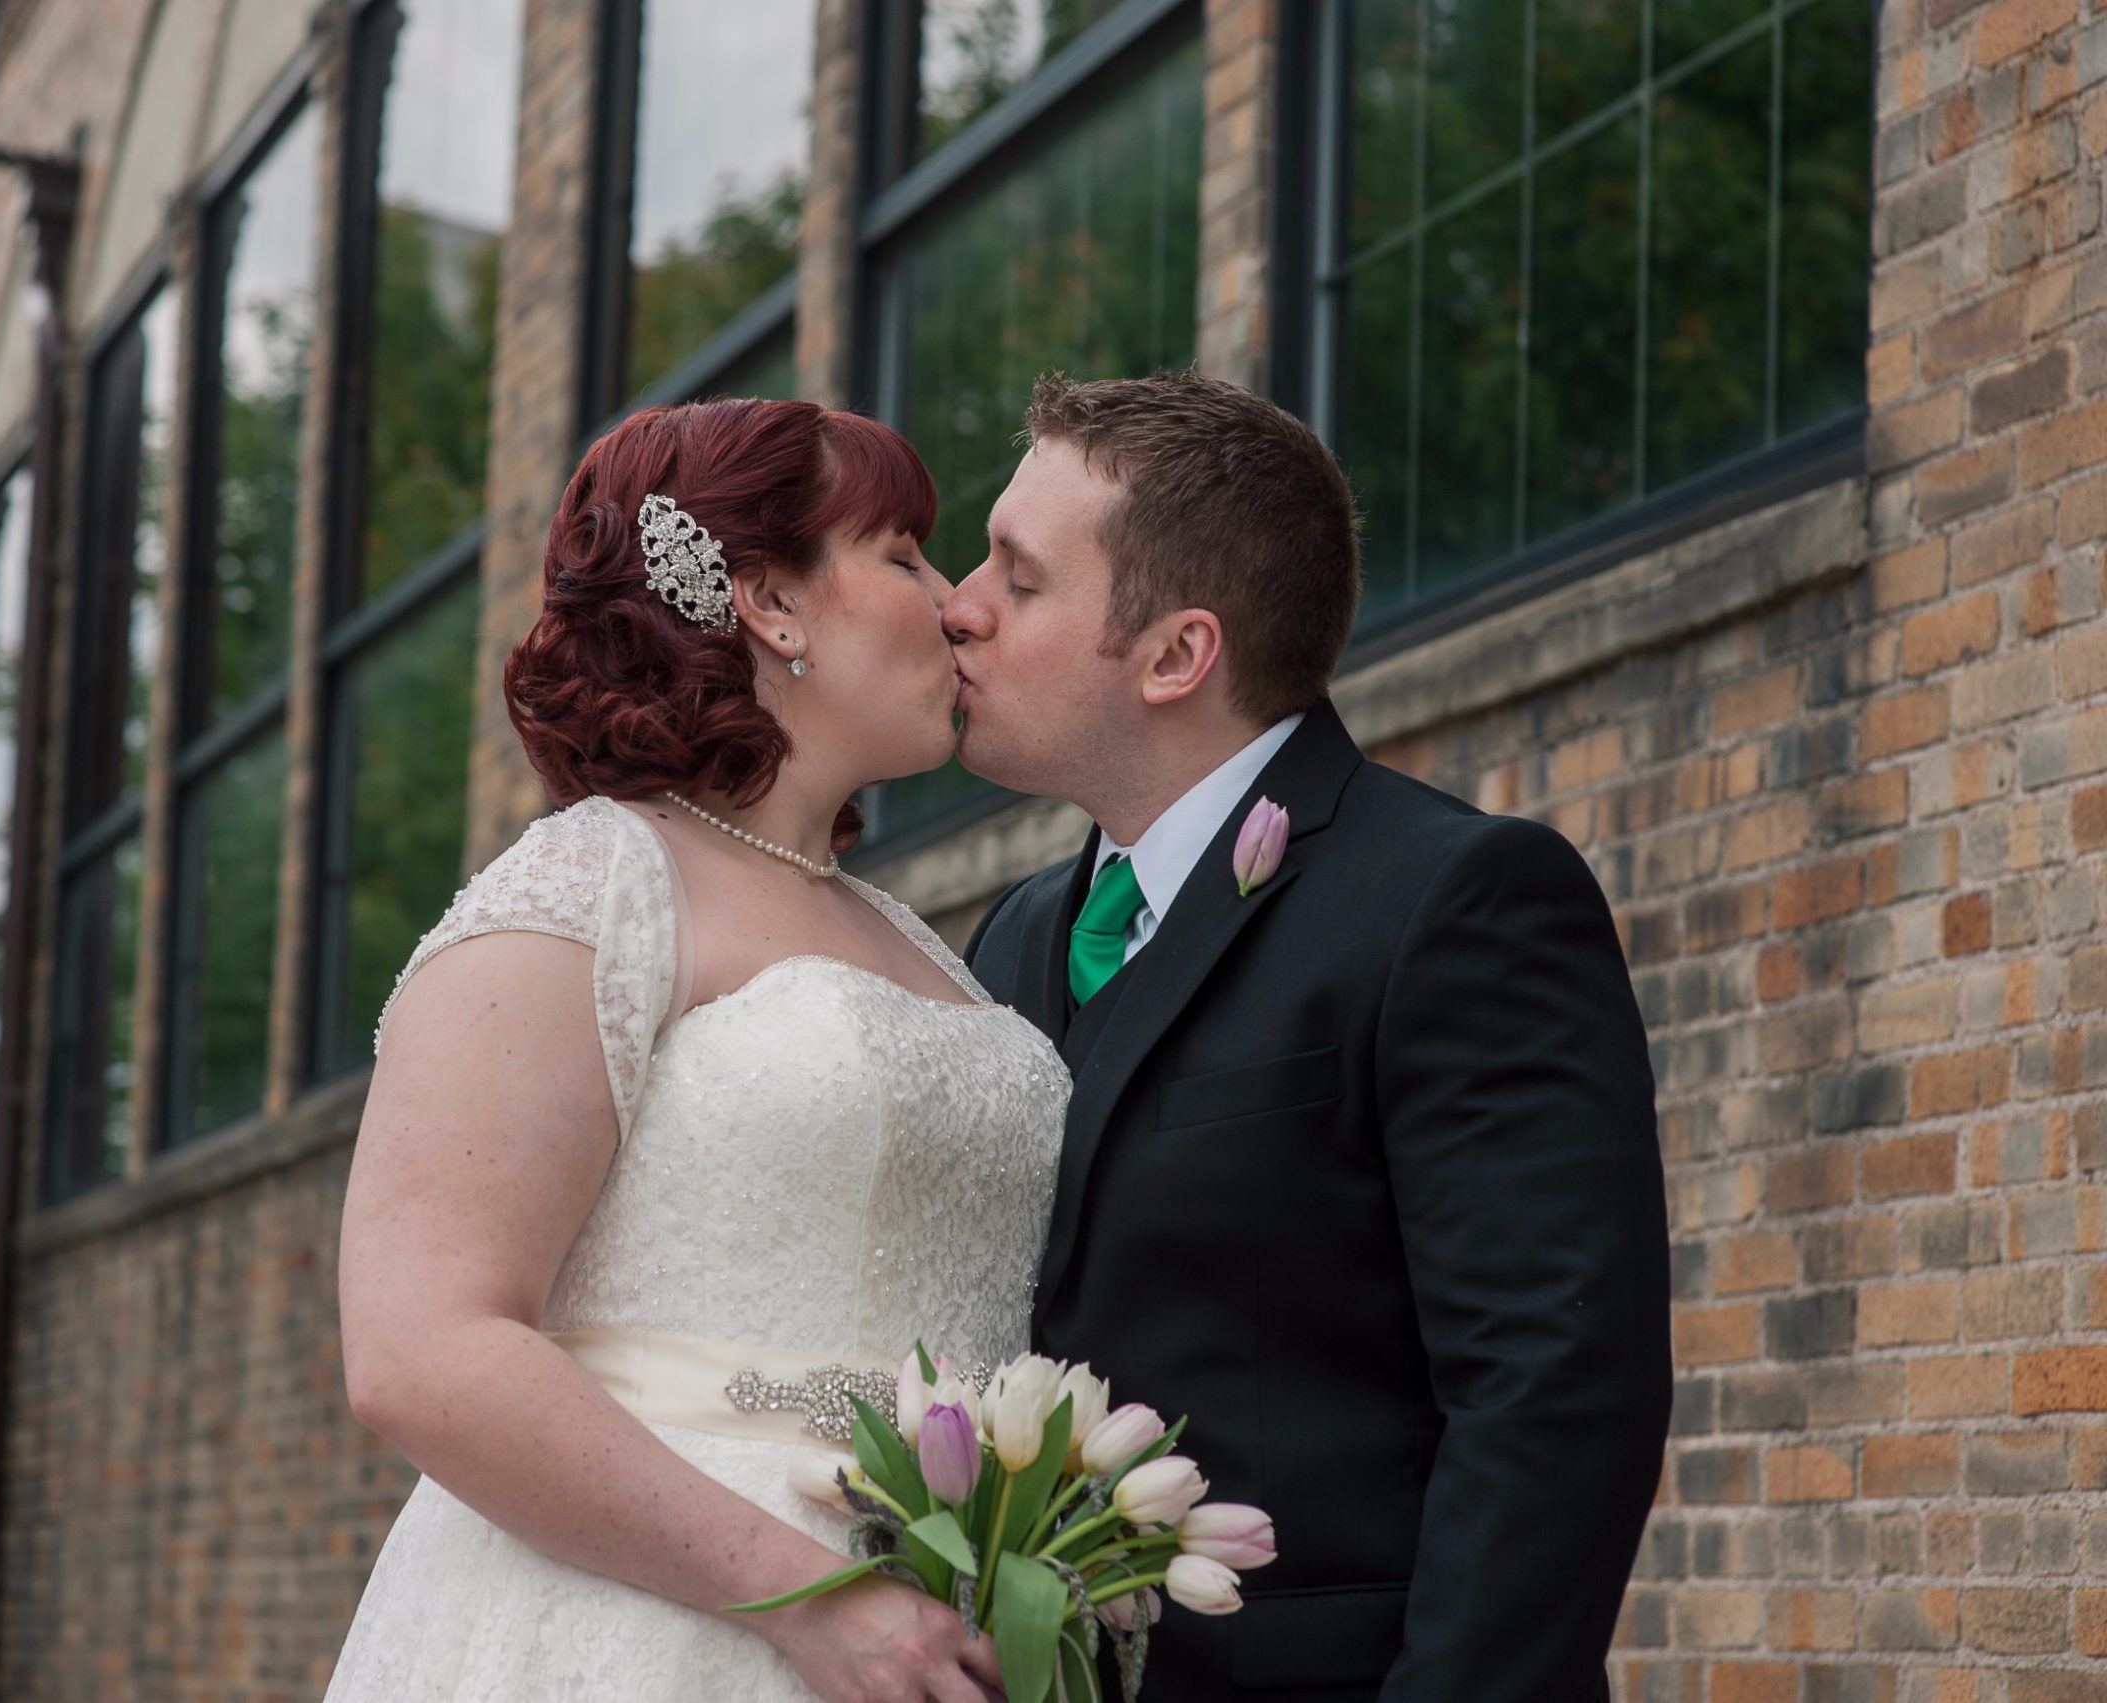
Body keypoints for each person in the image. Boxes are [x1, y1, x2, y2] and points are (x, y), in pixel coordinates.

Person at [324, 397, 1064, 1703]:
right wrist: (811, 1597)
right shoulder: (586, 886)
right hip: (660, 1636)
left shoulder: (913, 939)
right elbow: (419, 1350)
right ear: (771, 602)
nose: (952, 604)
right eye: (903, 556)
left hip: (946, 1633)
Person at [951, 371, 1673, 1702]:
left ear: (1177, 654)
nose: (958, 604)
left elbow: (1552, 1396)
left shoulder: (1455, 901)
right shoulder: (1012, 937)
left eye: (1018, 575)